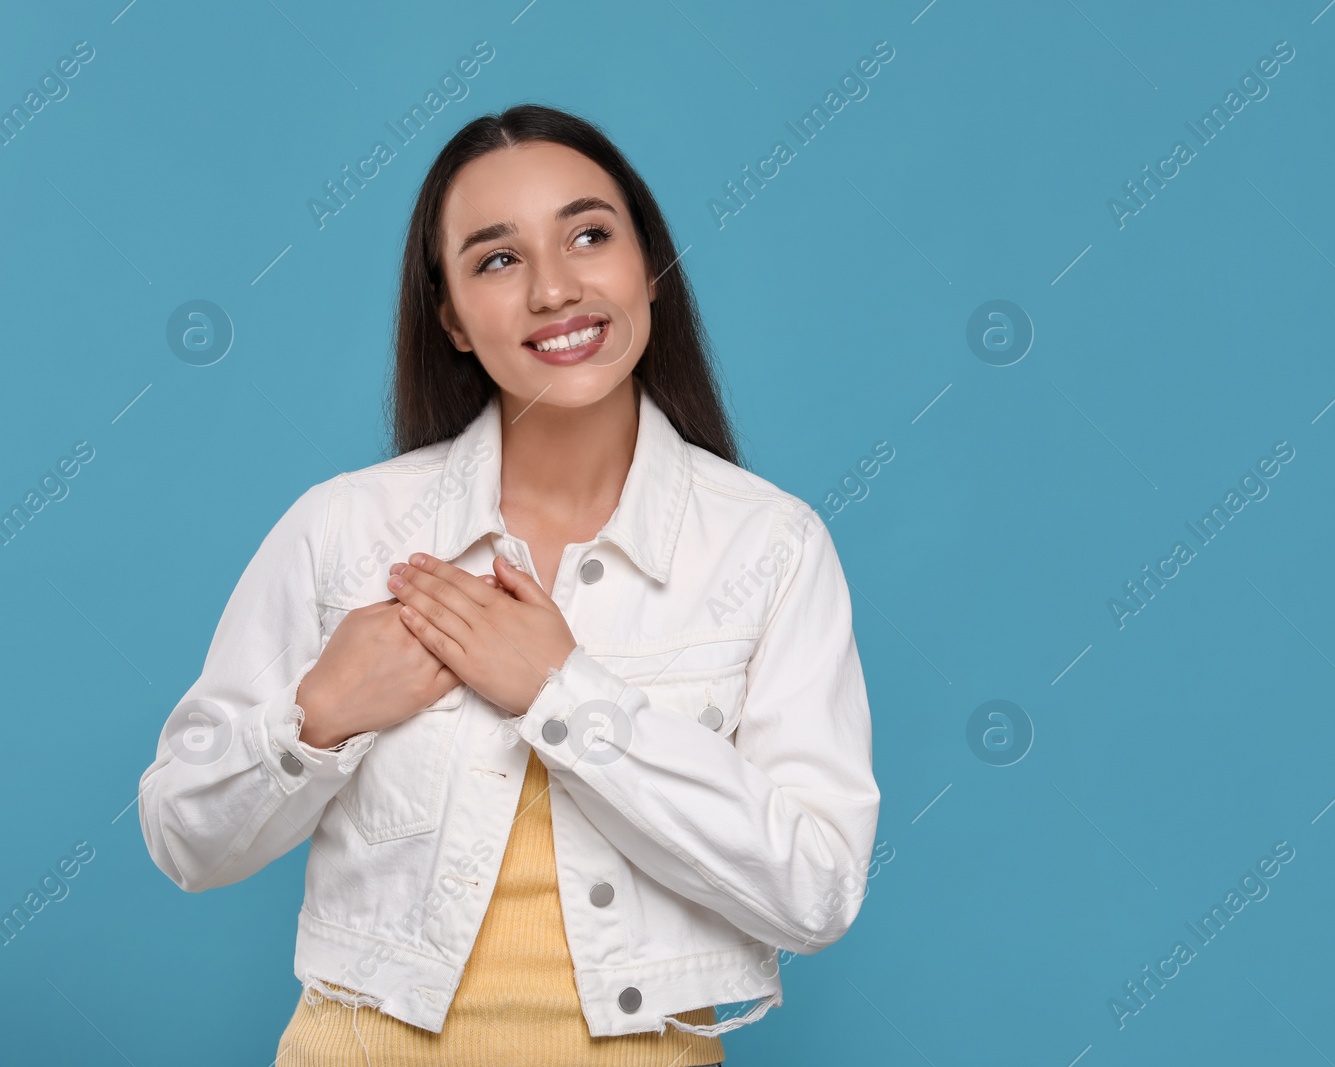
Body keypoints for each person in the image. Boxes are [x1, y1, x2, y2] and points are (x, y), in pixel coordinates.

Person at [136, 103, 881, 1066]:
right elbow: (183, 838)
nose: (556, 288)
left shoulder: (770, 547)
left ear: (646, 263)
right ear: (448, 313)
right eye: (497, 259)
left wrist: (563, 694)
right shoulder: (348, 529)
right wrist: (320, 714)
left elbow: (815, 891)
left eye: (589, 235)